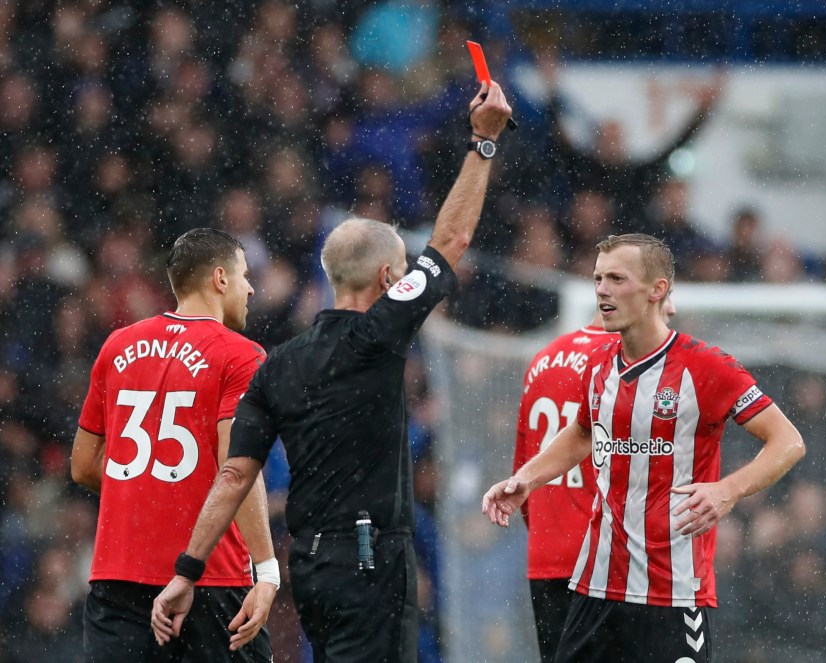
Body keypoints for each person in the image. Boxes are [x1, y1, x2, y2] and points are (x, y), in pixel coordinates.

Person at [151, 81, 513, 662]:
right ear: (391, 281)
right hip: (371, 561)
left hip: (312, 566)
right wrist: (484, 143)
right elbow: (452, 239)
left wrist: (186, 570)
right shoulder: (380, 332)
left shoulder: (276, 365)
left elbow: (233, 478)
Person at [484, 234, 805, 663]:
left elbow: (788, 441)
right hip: (594, 588)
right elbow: (583, 431)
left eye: (617, 278)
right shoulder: (599, 365)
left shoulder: (705, 365)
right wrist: (527, 477)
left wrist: (726, 491)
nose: (602, 289)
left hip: (670, 593)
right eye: (599, 278)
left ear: (658, 290)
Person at [70, 228, 277, 661]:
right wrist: (267, 568)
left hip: (118, 576)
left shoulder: (117, 345)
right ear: (220, 278)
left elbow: (85, 465)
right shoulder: (241, 355)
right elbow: (235, 469)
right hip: (212, 578)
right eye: (244, 275)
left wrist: (146, 495)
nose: (251, 287)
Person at [514, 297, 675, 662]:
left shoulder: (542, 359)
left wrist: (549, 531)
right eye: (665, 303)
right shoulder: (627, 364)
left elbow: (523, 474)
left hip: (547, 556)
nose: (672, 313)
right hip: (607, 563)